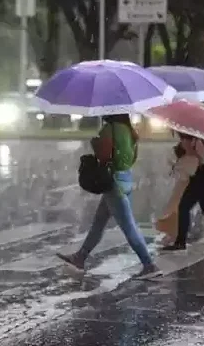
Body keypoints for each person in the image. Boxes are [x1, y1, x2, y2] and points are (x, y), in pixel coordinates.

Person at [57, 114, 162, 279]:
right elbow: (132, 158)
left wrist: (96, 144)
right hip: (125, 179)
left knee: (129, 227)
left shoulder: (109, 129)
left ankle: (149, 265)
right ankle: (80, 257)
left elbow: (104, 156)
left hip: (113, 184)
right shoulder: (129, 130)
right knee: (99, 222)